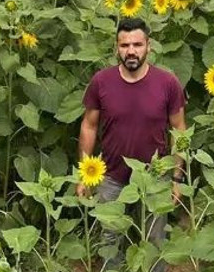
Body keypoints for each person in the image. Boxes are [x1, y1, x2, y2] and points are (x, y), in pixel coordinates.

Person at [78, 17, 186, 272]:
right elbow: (89, 125)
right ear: (116, 48)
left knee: (155, 241)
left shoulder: (167, 83)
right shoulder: (102, 82)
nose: (131, 51)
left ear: (149, 46)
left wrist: (176, 177)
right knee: (109, 239)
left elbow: (179, 129)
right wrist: (84, 175)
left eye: (137, 44)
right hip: (112, 175)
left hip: (155, 176)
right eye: (124, 45)